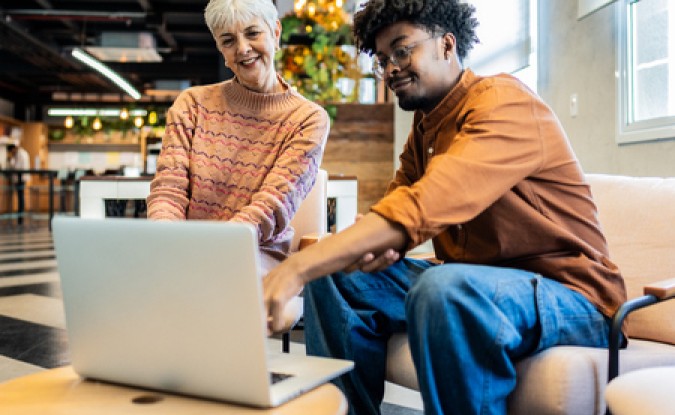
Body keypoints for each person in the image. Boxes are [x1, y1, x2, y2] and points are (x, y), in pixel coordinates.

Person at [262, 1, 627, 414]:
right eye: (383, 60)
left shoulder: (503, 102)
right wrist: (365, 246)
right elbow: (394, 209)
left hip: (575, 299)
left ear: (447, 45)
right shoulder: (424, 130)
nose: (392, 69)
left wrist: (295, 267)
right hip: (480, 286)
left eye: (402, 51)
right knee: (336, 276)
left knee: (445, 289)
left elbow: (423, 204)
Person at [146, 0, 329, 277]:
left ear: (275, 33)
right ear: (221, 50)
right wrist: (167, 242)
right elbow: (169, 192)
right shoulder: (192, 105)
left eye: (253, 33)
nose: (242, 48)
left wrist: (211, 251)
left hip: (257, 256)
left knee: (216, 280)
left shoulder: (308, 119)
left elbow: (270, 207)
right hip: (186, 253)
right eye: (229, 40)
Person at [6, 142, 30, 225]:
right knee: (21, 198)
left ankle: (20, 217)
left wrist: (10, 160)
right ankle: (20, 217)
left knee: (21, 198)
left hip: (20, 179)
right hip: (20, 179)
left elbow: (17, 167)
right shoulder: (21, 153)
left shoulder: (20, 154)